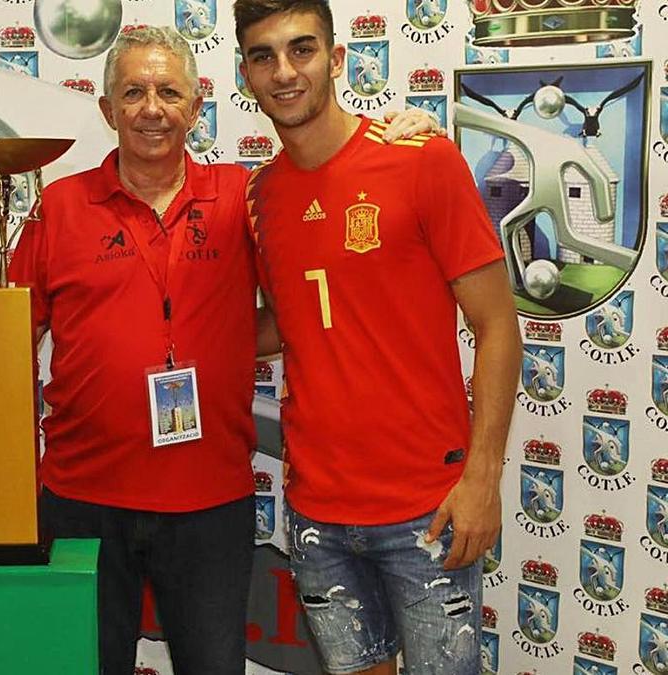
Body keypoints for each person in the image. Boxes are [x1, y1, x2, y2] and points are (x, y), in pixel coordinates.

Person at [0, 26, 440, 675]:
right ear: (107, 110)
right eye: (133, 92)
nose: (151, 108)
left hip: (210, 503)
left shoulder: (247, 197)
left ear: (196, 106)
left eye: (168, 92)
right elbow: (16, 330)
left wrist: (404, 133)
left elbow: (312, 269)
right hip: (81, 501)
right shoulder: (56, 207)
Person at [234, 2, 522, 673]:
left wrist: (482, 478)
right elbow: (293, 315)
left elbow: (498, 326)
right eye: (263, 55)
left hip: (427, 508)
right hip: (316, 512)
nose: (284, 71)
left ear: (336, 60)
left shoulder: (422, 159)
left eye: (301, 49)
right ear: (246, 75)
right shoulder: (260, 197)